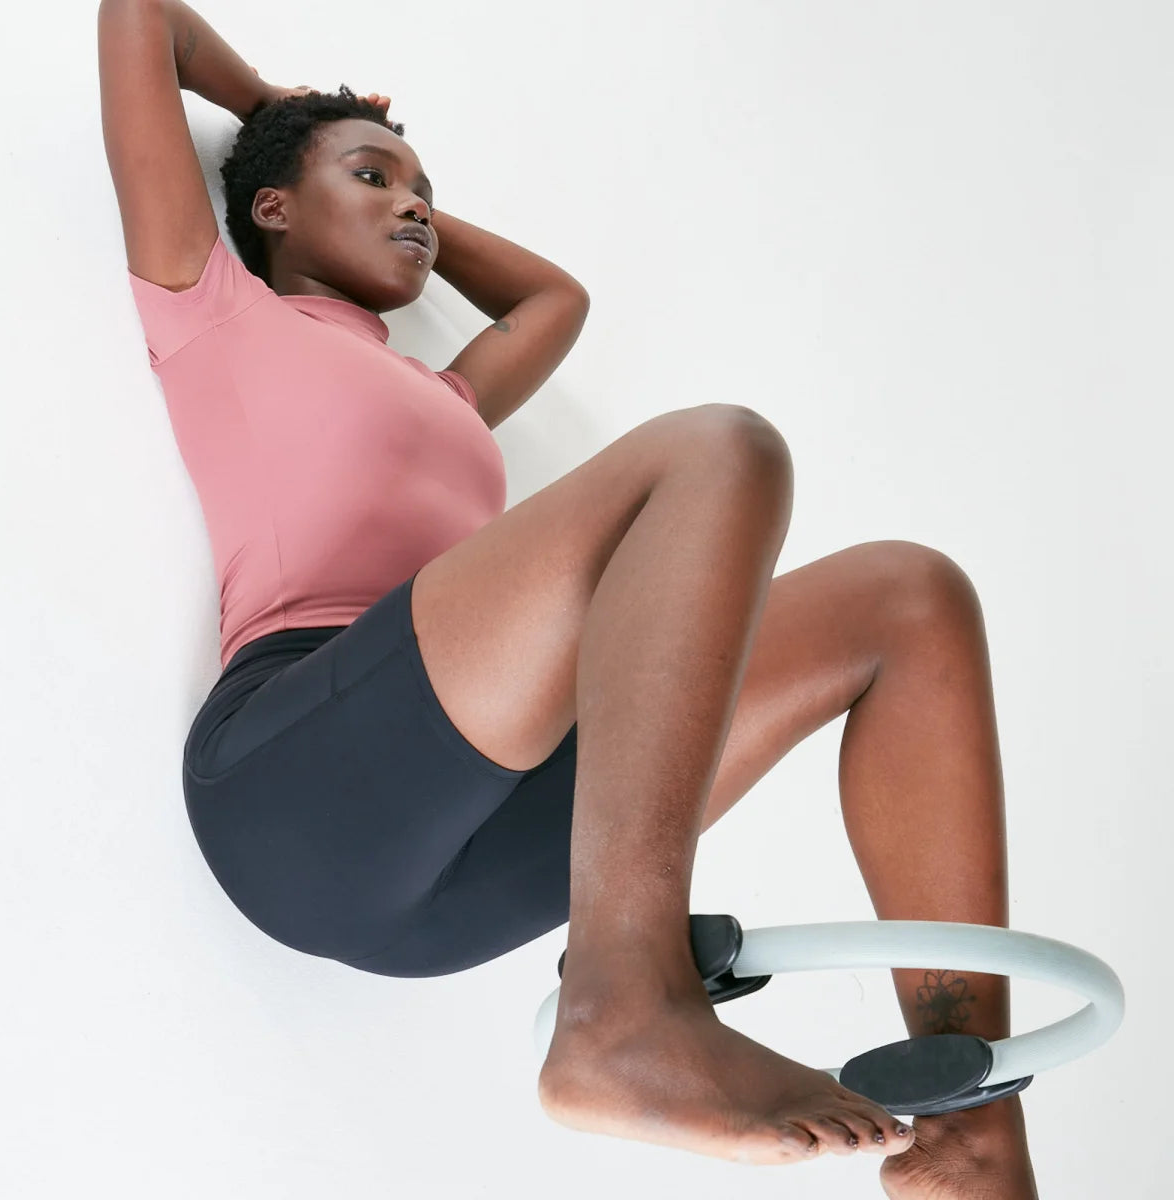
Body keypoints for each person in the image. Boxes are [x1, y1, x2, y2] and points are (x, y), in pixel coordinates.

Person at [98, 1, 1040, 1193]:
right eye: (375, 179)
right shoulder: (216, 310)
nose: (414, 207)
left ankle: (968, 1130)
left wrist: (370, 175)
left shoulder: (449, 395)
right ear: (272, 209)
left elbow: (555, 301)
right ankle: (626, 998)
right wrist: (279, 117)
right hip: (301, 781)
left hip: (453, 870)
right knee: (718, 449)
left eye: (422, 191)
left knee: (911, 596)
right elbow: (142, 18)